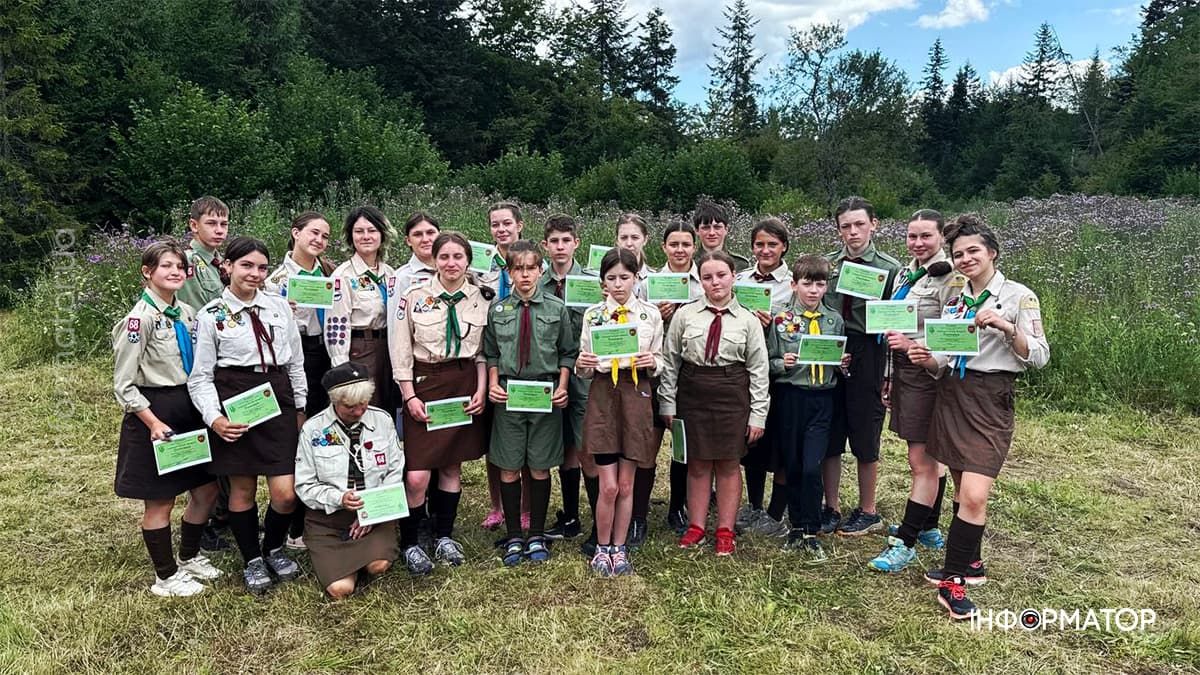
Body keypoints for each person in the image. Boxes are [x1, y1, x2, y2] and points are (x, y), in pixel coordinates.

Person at [907, 215, 1049, 620]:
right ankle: (971, 562)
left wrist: (1006, 327)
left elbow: (1039, 355)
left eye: (973, 251)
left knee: (974, 493)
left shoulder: (1021, 297)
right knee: (958, 483)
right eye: (958, 254)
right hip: (952, 397)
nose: (966, 259)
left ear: (992, 253)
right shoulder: (955, 302)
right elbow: (944, 361)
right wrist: (926, 358)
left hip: (991, 400)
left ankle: (952, 584)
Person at [187, 237, 308, 594]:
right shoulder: (211, 316)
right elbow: (201, 377)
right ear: (227, 267)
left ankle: (274, 546)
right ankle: (253, 558)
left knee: (286, 492)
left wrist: (300, 407)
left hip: (277, 398)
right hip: (235, 401)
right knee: (242, 489)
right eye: (246, 266)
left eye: (261, 267)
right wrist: (215, 418)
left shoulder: (278, 308)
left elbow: (295, 361)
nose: (255, 274)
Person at [112, 241, 222, 597]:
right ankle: (165, 576)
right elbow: (124, 385)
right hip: (155, 411)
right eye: (167, 267)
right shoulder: (138, 320)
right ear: (148, 272)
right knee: (160, 498)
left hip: (188, 406)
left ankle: (189, 556)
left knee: (206, 489)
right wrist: (153, 422)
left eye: (180, 267)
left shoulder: (187, 313)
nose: (176, 272)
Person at [389, 231, 489, 574]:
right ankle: (412, 540)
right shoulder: (413, 297)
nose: (451, 263)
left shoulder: (480, 297)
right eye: (444, 257)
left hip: (463, 383)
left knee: (451, 466)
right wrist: (409, 395)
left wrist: (482, 390)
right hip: (426, 384)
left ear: (468, 261)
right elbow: (400, 351)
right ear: (434, 260)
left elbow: (481, 354)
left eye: (458, 257)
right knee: (417, 475)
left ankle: (444, 535)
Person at [868, 209, 961, 573]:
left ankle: (905, 540)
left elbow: (949, 334)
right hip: (904, 368)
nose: (918, 243)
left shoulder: (950, 277)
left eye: (926, 236)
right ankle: (928, 526)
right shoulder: (908, 273)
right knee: (927, 457)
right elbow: (893, 325)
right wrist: (890, 374)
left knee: (920, 459)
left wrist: (913, 350)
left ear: (941, 237)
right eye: (912, 236)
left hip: (929, 371)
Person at [658, 251, 769, 556]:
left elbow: (759, 370)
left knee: (729, 464)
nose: (715, 282)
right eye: (707, 277)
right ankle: (695, 526)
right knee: (697, 462)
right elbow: (670, 361)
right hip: (693, 394)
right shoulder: (685, 315)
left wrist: (758, 415)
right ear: (700, 281)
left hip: (732, 395)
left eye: (721, 275)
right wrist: (667, 403)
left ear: (733, 276)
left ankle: (725, 530)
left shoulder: (748, 320)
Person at [484, 240, 578, 566]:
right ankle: (513, 536)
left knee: (539, 465)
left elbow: (567, 352)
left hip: (544, 394)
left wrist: (563, 386)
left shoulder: (556, 308)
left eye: (531, 268)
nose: (525, 275)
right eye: (518, 269)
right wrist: (493, 384)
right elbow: (492, 352)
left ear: (541, 270)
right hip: (509, 395)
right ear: (509, 273)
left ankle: (536, 533)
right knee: (508, 466)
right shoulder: (498, 310)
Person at [576, 248, 665, 576]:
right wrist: (582, 363)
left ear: (636, 278)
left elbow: (660, 359)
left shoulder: (649, 315)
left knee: (626, 485)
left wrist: (652, 362)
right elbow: (583, 363)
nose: (617, 284)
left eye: (624, 277)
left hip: (635, 393)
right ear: (602, 281)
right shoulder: (593, 315)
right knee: (608, 486)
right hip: (603, 396)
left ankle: (620, 546)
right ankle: (601, 547)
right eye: (611, 278)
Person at [821, 196, 902, 536]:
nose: (852, 232)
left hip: (870, 348)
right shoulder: (828, 265)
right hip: (833, 347)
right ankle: (831, 506)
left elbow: (899, 321)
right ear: (838, 229)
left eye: (859, 224)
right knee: (830, 427)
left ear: (874, 224)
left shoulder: (890, 268)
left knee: (866, 427)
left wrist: (890, 374)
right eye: (845, 226)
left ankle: (868, 510)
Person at [763, 255, 850, 561]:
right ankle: (797, 526)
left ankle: (812, 530)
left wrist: (842, 365)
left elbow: (841, 362)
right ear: (794, 284)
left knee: (813, 466)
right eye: (807, 283)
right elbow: (769, 361)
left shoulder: (833, 320)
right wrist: (781, 363)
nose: (813, 290)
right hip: (790, 397)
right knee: (794, 464)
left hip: (821, 400)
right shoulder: (781, 319)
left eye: (820, 283)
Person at [294, 362, 405, 599]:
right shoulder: (313, 430)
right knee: (340, 589)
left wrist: (372, 514)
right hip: (328, 520)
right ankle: (342, 563)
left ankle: (370, 553)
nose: (358, 411)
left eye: (363, 404)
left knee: (378, 566)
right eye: (350, 407)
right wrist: (339, 498)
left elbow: (395, 471)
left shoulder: (382, 421)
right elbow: (304, 485)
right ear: (334, 401)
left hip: (374, 515)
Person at [263, 211, 337, 550]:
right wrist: (283, 309)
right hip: (296, 356)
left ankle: (315, 516)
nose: (319, 241)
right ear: (295, 233)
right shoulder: (276, 279)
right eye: (313, 233)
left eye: (325, 236)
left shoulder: (330, 273)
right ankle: (289, 525)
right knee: (297, 430)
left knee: (323, 430)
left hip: (326, 352)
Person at [178, 196, 232, 552]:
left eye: (224, 224)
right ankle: (206, 520)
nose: (219, 230)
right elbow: (203, 315)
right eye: (211, 224)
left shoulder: (216, 264)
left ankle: (224, 512)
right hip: (202, 359)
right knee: (206, 439)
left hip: (219, 359)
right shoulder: (191, 264)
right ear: (193, 225)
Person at [735, 217, 794, 537]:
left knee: (781, 443)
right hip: (747, 371)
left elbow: (800, 324)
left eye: (772, 244)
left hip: (781, 373)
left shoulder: (793, 283)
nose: (765, 250)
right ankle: (754, 506)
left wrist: (776, 325)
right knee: (753, 441)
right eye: (759, 244)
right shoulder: (741, 280)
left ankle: (775, 512)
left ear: (784, 246)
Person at [539, 215, 593, 545]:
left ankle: (600, 518)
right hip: (548, 374)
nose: (560, 247)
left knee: (586, 443)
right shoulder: (536, 281)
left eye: (566, 240)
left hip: (583, 376)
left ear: (577, 243)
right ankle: (570, 516)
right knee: (562, 446)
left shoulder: (590, 282)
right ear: (545, 245)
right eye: (554, 241)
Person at [478, 202, 527, 531]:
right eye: (495, 224)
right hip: (489, 355)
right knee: (495, 438)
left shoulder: (531, 260)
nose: (501, 229)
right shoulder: (481, 266)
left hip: (524, 359)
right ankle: (497, 506)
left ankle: (524, 508)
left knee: (525, 436)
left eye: (507, 223)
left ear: (519, 225)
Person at [612, 213, 659, 547]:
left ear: (645, 239)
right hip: (611, 377)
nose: (629, 243)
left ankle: (638, 516)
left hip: (648, 374)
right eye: (623, 237)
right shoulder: (609, 276)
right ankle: (611, 513)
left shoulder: (657, 281)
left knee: (644, 447)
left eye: (634, 237)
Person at [655, 222, 703, 535]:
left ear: (694, 247)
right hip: (655, 372)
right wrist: (657, 316)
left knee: (684, 445)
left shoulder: (705, 281)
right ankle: (637, 508)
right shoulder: (650, 283)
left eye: (686, 244)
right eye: (674, 244)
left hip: (691, 374)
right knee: (648, 443)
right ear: (663, 247)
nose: (680, 250)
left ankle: (678, 506)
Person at [328, 206, 397, 408]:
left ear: (382, 235)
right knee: (363, 406)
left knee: (387, 407)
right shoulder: (343, 276)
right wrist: (341, 369)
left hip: (388, 349)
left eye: (372, 230)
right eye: (359, 231)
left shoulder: (390, 273)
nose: (366, 236)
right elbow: (336, 326)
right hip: (360, 350)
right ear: (351, 237)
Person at [692, 199, 751, 273]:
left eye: (717, 227)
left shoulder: (741, 265)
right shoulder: (689, 263)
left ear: (726, 229)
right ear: (697, 230)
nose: (712, 233)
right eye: (706, 228)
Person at [393, 211, 440, 295]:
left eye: (430, 233)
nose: (425, 239)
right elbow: (394, 308)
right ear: (408, 241)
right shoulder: (401, 277)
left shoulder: (458, 270)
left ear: (440, 235)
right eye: (417, 234)